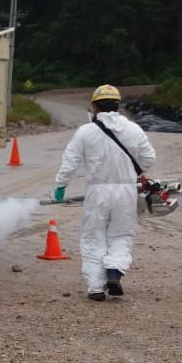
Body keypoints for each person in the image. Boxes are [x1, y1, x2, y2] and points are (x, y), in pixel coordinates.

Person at [53, 85, 156, 301]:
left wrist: (61, 186)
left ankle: (96, 288)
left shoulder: (85, 131)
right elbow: (148, 159)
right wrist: (132, 172)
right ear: (117, 105)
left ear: (94, 106)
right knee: (121, 235)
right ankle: (113, 272)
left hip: (96, 193)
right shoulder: (134, 129)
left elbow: (70, 162)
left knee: (94, 236)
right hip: (126, 191)